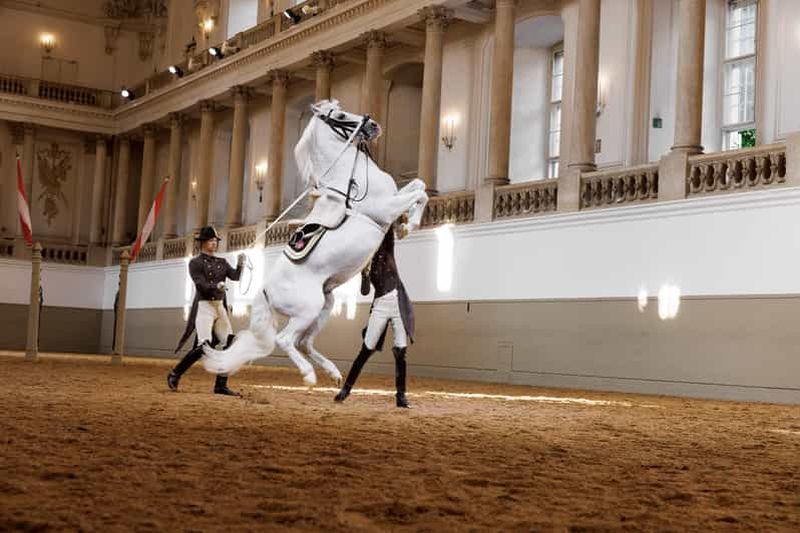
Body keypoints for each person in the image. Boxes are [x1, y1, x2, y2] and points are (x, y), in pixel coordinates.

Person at [334, 223, 415, 408]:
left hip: (398, 302)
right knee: (366, 350)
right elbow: (364, 292)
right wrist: (365, 274)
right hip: (380, 305)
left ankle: (401, 396)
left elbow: (387, 228)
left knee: (401, 352)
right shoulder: (365, 264)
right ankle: (346, 389)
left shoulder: (387, 248)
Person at [167, 226, 245, 396]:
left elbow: (236, 276)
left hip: (219, 307)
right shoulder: (195, 263)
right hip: (204, 307)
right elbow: (200, 284)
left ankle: (220, 385)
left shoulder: (222, 263)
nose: (214, 243)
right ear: (203, 242)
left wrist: (241, 264)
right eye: (211, 240)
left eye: (215, 240)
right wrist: (216, 285)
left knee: (229, 342)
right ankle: (175, 373)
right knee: (205, 345)